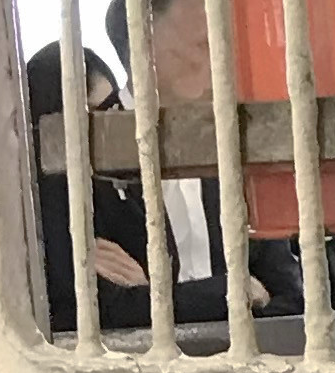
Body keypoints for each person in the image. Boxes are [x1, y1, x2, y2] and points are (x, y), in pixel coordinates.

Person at [103, 0, 335, 315]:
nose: (225, 61)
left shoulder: (241, 146)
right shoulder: (88, 157)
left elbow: (290, 297)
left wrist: (160, 299)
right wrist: (227, 293)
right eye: (205, 44)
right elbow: (98, 312)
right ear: (146, 48)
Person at [22, 39, 235, 336]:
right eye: (94, 113)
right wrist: (227, 291)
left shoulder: (124, 187)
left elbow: (144, 296)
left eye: (113, 108)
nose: (109, 123)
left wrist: (147, 295)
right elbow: (105, 308)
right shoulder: (46, 204)